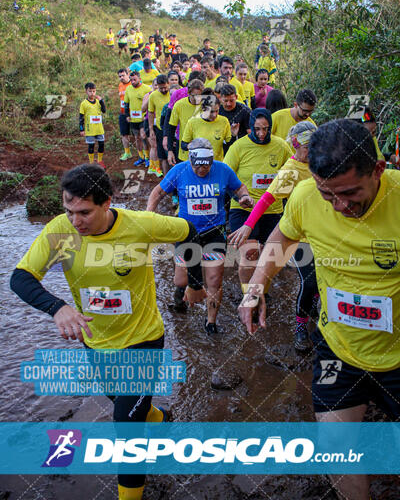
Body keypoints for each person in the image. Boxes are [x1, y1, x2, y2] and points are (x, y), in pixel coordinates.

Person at [10, 164, 206, 500]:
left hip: (143, 339)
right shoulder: (60, 232)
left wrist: (196, 284)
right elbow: (21, 278)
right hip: (97, 341)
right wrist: (58, 307)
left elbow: (189, 230)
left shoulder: (140, 225)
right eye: (69, 211)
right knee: (122, 401)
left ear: (107, 203)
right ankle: (156, 417)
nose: (76, 221)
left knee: (126, 426)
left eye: (84, 212)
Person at [238, 119, 400, 500]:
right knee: (336, 449)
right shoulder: (307, 195)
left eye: (350, 193)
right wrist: (256, 287)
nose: (340, 206)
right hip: (339, 350)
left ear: (378, 170)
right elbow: (282, 237)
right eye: (330, 196)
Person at [229, 121, 318, 350]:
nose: (312, 150)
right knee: (309, 281)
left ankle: (318, 311)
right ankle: (301, 326)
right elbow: (266, 199)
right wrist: (249, 225)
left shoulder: (322, 162)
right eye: (308, 146)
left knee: (322, 282)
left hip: (323, 233)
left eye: (315, 144)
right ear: (296, 145)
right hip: (299, 236)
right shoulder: (290, 171)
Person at [146, 139, 252, 331]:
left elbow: (239, 188)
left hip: (214, 233)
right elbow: (157, 192)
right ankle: (180, 298)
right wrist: (149, 217)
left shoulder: (223, 170)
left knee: (214, 280)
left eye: (206, 166)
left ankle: (211, 322)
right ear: (190, 160)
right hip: (186, 232)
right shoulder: (179, 171)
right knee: (181, 280)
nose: (202, 170)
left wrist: (244, 197)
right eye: (197, 167)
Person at [224, 108, 291, 291]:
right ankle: (249, 295)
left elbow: (291, 173)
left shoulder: (282, 146)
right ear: (250, 128)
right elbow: (225, 179)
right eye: (257, 129)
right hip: (243, 208)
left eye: (266, 129)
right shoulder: (238, 147)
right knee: (250, 255)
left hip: (273, 210)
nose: (262, 134)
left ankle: (262, 292)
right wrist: (239, 197)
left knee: (268, 257)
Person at [181, 92, 231, 162]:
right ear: (203, 109)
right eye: (211, 112)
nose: (214, 115)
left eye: (217, 111)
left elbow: (229, 145)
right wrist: (193, 146)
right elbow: (183, 145)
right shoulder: (192, 122)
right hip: (198, 164)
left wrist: (234, 135)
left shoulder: (224, 121)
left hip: (217, 163)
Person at [167, 77, 204, 165]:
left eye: (200, 95)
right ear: (188, 93)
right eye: (194, 96)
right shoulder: (179, 105)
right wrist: (170, 151)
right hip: (184, 150)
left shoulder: (207, 104)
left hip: (203, 150)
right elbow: (171, 128)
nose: (197, 99)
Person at [124, 71, 151, 166]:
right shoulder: (128, 89)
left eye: (134, 79)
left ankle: (147, 157)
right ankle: (141, 157)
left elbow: (151, 104)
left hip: (143, 118)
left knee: (144, 136)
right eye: (131, 80)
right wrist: (127, 115)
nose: (132, 81)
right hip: (133, 118)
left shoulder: (147, 88)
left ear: (140, 79)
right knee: (137, 138)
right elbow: (126, 104)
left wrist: (147, 115)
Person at [79, 83, 106, 168]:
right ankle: (91, 162)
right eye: (90, 91)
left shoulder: (98, 101)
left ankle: (100, 160)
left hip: (99, 128)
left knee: (101, 144)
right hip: (90, 129)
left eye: (94, 91)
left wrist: (102, 101)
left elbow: (104, 111)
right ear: (86, 91)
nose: (92, 93)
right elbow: (81, 117)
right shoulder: (84, 103)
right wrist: (81, 129)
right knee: (91, 145)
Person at [148, 74, 171, 175]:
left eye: (165, 87)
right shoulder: (153, 95)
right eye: (160, 88)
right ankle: (166, 179)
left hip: (174, 129)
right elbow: (151, 112)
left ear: (169, 84)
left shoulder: (174, 93)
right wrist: (151, 129)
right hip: (160, 129)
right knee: (163, 156)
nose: (163, 90)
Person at [218, 83, 251, 151]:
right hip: (221, 147)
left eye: (231, 100)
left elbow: (250, 133)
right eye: (225, 101)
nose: (228, 104)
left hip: (240, 148)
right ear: (220, 98)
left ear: (236, 97)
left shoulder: (244, 111)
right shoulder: (217, 110)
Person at [117, 68, 132, 161]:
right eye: (120, 76)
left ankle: (143, 155)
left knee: (137, 134)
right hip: (123, 112)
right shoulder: (120, 85)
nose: (122, 78)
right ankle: (127, 152)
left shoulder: (132, 84)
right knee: (124, 134)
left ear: (128, 74)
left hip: (133, 113)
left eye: (123, 75)